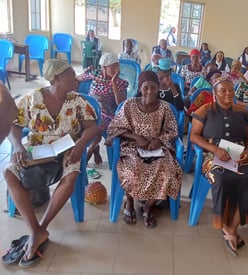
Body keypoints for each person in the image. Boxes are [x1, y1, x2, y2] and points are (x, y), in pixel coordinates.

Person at [3, 59, 100, 266]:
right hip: (38, 149)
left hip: (67, 151)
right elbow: (14, 126)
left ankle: (42, 227)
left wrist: (81, 144)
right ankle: (34, 230)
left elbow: (93, 128)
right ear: (56, 78)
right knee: (9, 172)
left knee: (71, 175)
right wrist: (18, 146)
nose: (76, 79)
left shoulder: (77, 101)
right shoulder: (33, 98)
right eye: (70, 75)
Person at [190, 76, 248, 257]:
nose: (228, 93)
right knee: (221, 178)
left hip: (238, 153)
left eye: (230, 90)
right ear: (215, 94)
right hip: (211, 154)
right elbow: (194, 136)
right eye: (223, 90)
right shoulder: (205, 110)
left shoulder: (243, 112)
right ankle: (226, 227)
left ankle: (231, 227)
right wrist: (215, 149)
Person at [106, 70, 182, 228]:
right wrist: (137, 138)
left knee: (168, 170)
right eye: (146, 87)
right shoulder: (129, 105)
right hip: (132, 146)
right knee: (132, 169)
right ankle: (130, 202)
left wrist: (158, 140)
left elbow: (172, 130)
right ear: (140, 88)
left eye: (153, 88)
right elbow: (115, 128)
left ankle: (148, 206)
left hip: (157, 147)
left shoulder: (164, 107)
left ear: (158, 89)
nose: (149, 91)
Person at [77, 53, 128, 166]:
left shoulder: (121, 83)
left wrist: (114, 83)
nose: (117, 69)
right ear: (104, 67)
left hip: (109, 114)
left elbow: (121, 104)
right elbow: (77, 79)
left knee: (99, 127)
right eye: (113, 67)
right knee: (80, 126)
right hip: (89, 111)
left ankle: (91, 149)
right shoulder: (94, 73)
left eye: (117, 66)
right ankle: (94, 147)